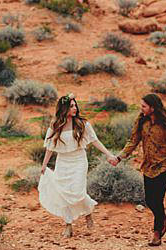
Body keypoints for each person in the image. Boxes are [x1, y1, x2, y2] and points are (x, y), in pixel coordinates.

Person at [39, 95, 118, 238]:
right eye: (71, 106)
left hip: (79, 160)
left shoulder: (82, 124)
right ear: (64, 108)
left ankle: (88, 213)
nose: (75, 108)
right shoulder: (55, 124)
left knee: (77, 191)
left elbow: (95, 140)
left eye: (75, 106)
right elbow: (50, 147)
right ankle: (68, 225)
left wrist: (108, 154)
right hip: (63, 161)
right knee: (64, 193)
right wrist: (44, 165)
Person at [111, 93, 166, 246]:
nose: (140, 108)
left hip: (165, 166)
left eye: (144, 106)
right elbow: (133, 141)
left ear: (153, 108)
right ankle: (162, 218)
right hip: (148, 166)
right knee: (150, 200)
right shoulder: (141, 121)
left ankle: (156, 233)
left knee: (158, 199)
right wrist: (119, 157)